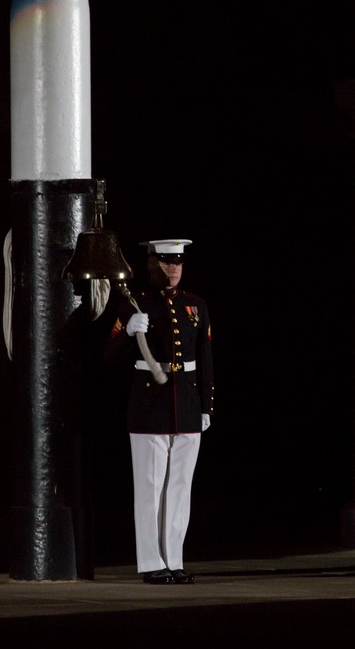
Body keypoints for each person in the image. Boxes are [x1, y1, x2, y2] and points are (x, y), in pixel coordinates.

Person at [105, 238, 214, 584]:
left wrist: (206, 406)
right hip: (150, 405)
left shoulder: (196, 305)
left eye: (177, 264)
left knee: (180, 488)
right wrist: (127, 333)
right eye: (166, 264)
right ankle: (152, 562)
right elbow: (109, 355)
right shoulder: (137, 305)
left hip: (186, 404)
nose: (173, 270)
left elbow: (206, 358)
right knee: (151, 488)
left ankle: (174, 558)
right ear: (153, 265)